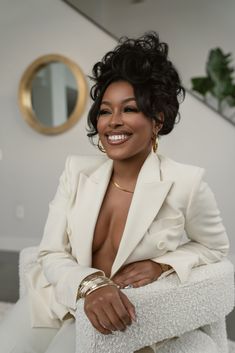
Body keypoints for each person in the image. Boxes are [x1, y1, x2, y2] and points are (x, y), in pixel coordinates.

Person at [0, 32, 229, 353]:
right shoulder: (75, 171)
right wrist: (90, 285)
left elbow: (215, 248)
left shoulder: (186, 183)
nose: (113, 122)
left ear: (157, 120)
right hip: (59, 299)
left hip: (117, 316)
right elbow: (51, 252)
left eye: (129, 109)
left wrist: (163, 265)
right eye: (106, 111)